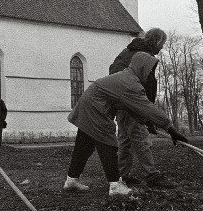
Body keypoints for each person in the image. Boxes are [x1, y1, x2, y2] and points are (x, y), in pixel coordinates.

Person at [64, 52, 189, 197]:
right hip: (95, 108)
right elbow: (147, 107)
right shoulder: (130, 84)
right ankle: (115, 185)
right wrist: (170, 128)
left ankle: (71, 180)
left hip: (87, 104)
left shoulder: (127, 77)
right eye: (149, 70)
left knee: (83, 146)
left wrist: (147, 122)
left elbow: (133, 108)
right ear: (142, 68)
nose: (150, 74)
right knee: (108, 144)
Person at [108, 28, 173, 188]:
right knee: (141, 138)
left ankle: (122, 176)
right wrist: (148, 116)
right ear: (157, 42)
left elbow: (112, 71)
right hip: (132, 103)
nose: (162, 47)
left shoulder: (126, 52)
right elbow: (148, 87)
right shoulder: (145, 57)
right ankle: (151, 175)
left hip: (119, 103)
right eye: (162, 44)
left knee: (125, 140)